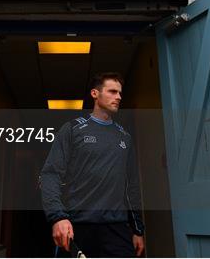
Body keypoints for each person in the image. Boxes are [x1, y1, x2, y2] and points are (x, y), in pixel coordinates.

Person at [40, 72, 145, 258]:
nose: (118, 97)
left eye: (120, 93)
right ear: (95, 94)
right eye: (112, 91)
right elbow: (50, 175)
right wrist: (58, 217)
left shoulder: (125, 137)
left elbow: (132, 187)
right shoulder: (72, 129)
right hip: (78, 226)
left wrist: (137, 230)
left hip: (117, 229)